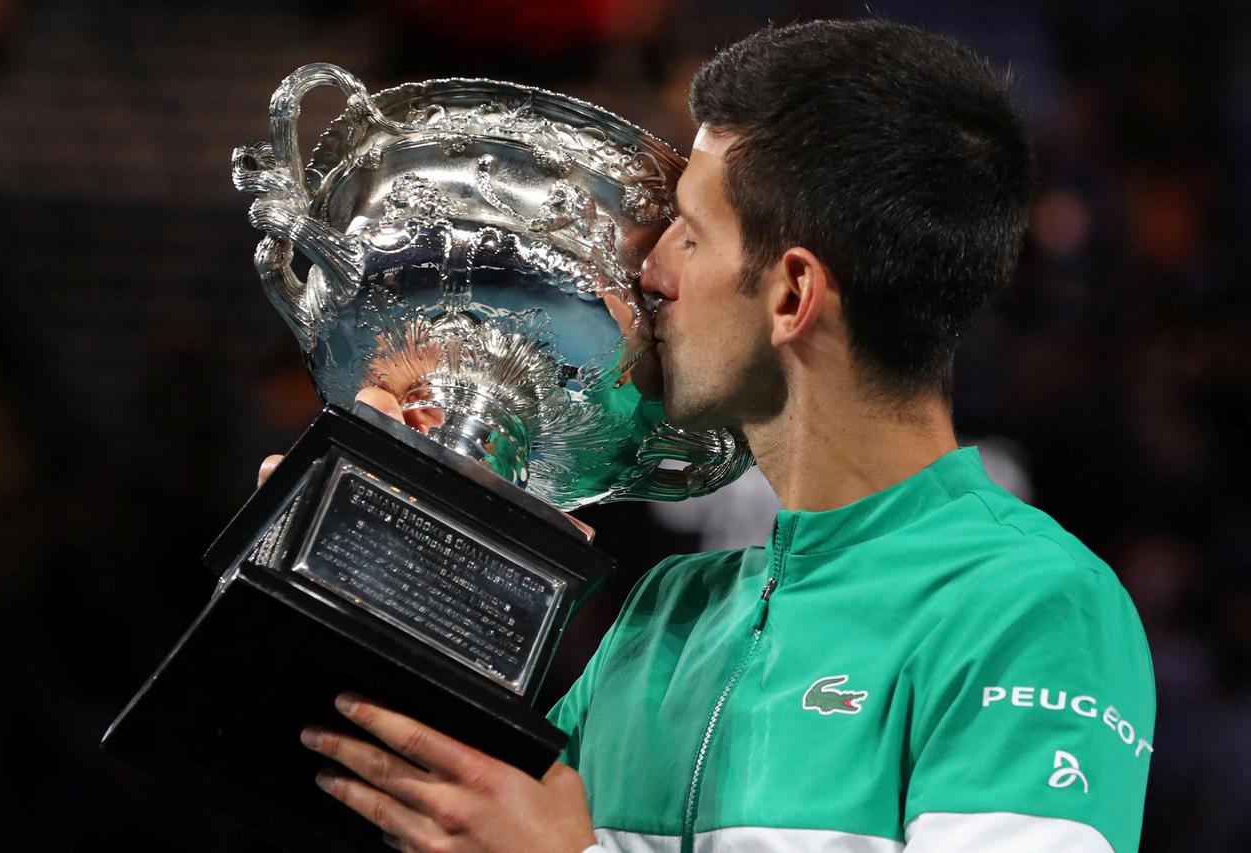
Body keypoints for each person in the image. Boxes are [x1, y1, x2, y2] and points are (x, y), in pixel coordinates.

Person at [286, 19, 1155, 853]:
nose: (652, 274)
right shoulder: (667, 614)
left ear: (791, 295)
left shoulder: (1028, 606)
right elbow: (383, 800)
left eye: (689, 234)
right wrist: (363, 552)